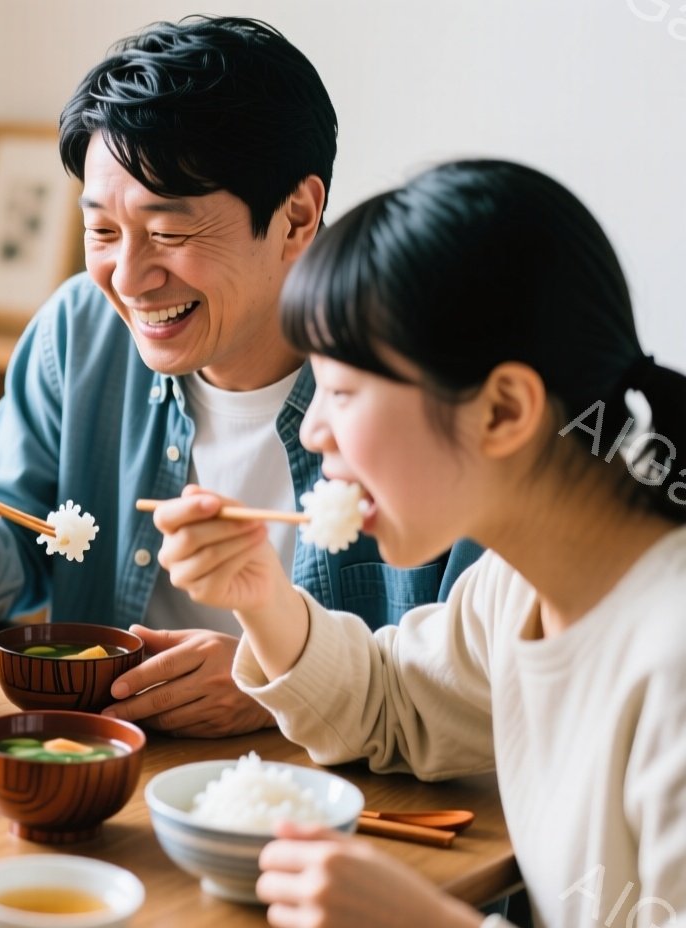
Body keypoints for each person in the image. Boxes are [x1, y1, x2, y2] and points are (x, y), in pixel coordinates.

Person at [0, 16, 481, 737]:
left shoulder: (424, 378)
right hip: (111, 769)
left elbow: (476, 684)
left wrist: (276, 677)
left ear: (296, 216)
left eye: (169, 232)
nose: (129, 278)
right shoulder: (83, 331)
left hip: (337, 795)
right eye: (102, 232)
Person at [152, 160, 686, 928]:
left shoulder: (670, 662)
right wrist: (262, 596)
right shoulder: (514, 589)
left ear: (503, 409)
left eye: (341, 391)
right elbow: (391, 706)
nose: (310, 429)